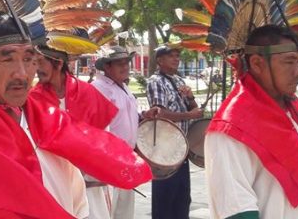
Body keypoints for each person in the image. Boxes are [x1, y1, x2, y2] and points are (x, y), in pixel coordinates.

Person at [0, 12, 151, 218]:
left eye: (29, 59)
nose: (22, 74)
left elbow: (77, 204)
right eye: (8, 59)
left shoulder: (52, 124)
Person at [205, 25, 298, 218]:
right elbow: (236, 210)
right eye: (289, 62)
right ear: (257, 64)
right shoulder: (231, 127)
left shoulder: (297, 112)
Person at [33, 41, 121, 219]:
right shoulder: (33, 98)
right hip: (56, 181)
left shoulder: (87, 92)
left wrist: (90, 166)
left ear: (58, 63)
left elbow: (104, 137)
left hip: (91, 183)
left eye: (40, 62)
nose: (36, 68)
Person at [92, 46, 158, 219]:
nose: (125, 67)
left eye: (126, 63)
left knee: (124, 210)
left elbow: (124, 116)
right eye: (119, 64)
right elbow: (95, 126)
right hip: (109, 159)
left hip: (126, 157)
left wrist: (144, 115)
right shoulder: (99, 88)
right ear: (107, 67)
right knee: (109, 209)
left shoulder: (123, 87)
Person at [146, 45, 202, 219]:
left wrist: (190, 98)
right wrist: (189, 115)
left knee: (182, 197)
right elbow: (159, 114)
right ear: (159, 60)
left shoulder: (178, 80)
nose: (176, 59)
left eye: (177, 56)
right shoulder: (156, 81)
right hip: (164, 149)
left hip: (181, 148)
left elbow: (195, 110)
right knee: (165, 199)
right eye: (171, 56)